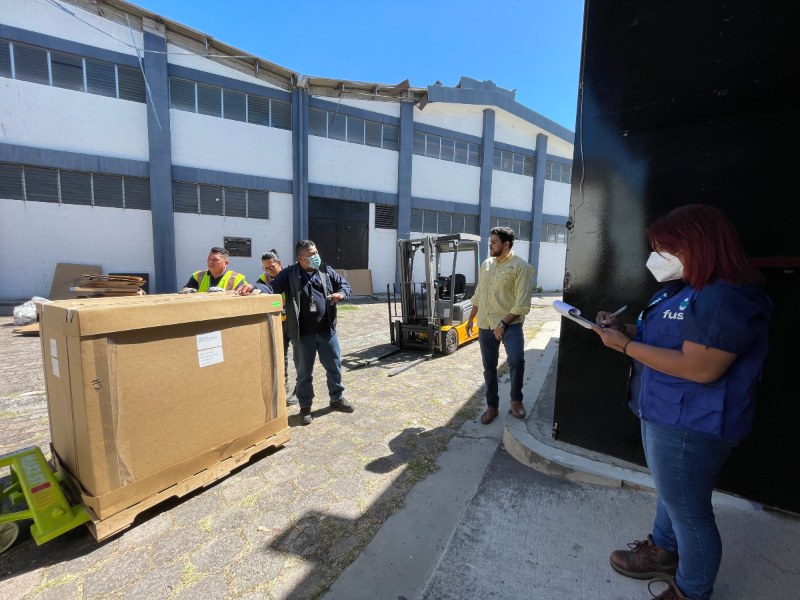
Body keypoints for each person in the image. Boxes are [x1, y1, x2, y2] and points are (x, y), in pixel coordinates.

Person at [594, 204, 772, 600]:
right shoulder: (679, 290)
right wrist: (621, 328)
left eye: (666, 248)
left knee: (690, 514)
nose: (657, 257)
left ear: (696, 245)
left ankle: (691, 591)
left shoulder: (727, 296)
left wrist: (625, 346)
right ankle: (663, 551)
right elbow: (656, 336)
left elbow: (701, 368)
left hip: (695, 423)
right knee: (671, 494)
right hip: (662, 411)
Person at [254, 240, 354, 425]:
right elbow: (271, 287)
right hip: (302, 336)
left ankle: (337, 398)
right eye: (312, 254)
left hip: (327, 333)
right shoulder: (289, 274)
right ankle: (305, 407)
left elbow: (345, 285)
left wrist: (342, 294)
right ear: (301, 258)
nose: (316, 256)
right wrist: (254, 288)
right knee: (303, 373)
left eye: (316, 252)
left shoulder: (325, 270)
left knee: (334, 368)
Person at [465, 226, 534, 425]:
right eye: (490, 242)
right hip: (486, 324)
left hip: (510, 324)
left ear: (506, 244)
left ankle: (516, 401)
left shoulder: (521, 267)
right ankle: (492, 406)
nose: (490, 245)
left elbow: (522, 304)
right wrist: (471, 319)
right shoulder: (486, 264)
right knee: (489, 367)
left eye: (494, 242)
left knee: (516, 360)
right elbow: (479, 294)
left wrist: (503, 323)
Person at [255, 249, 297, 407]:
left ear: (279, 263)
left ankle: (299, 391)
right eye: (265, 268)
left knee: (300, 357)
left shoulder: (291, 275)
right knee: (281, 356)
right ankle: (283, 387)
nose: (268, 271)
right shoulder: (263, 279)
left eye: (271, 267)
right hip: (278, 323)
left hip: (294, 323)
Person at [181, 247, 248, 292]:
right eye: (209, 258)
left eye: (215, 260)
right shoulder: (197, 276)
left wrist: (224, 294)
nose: (210, 262)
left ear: (226, 263)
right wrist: (186, 290)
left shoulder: (237, 278)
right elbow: (185, 289)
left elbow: (245, 297)